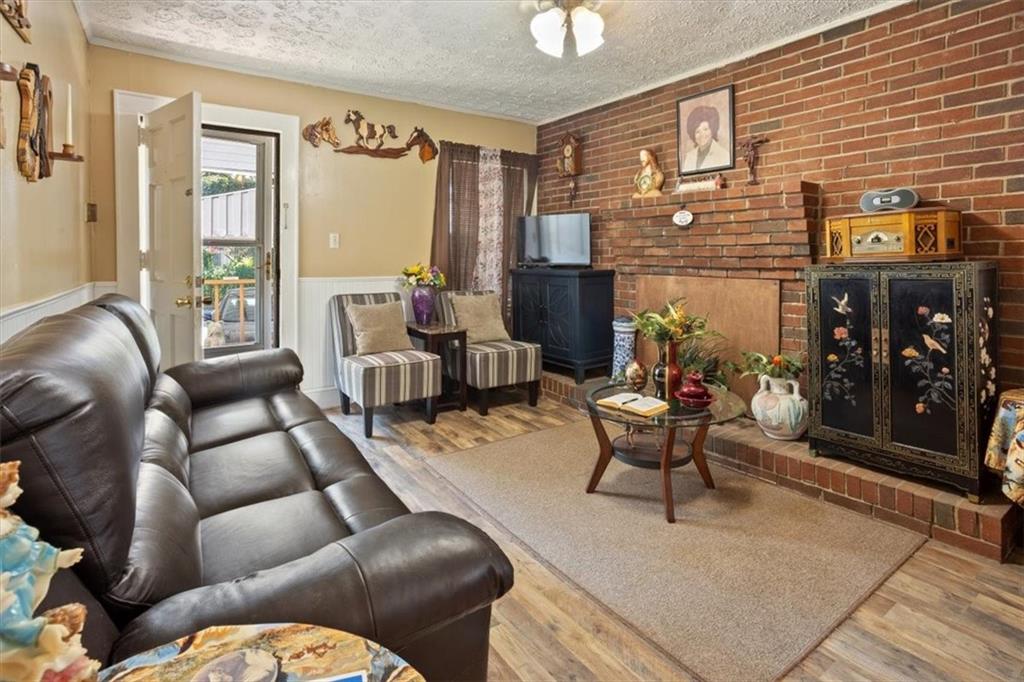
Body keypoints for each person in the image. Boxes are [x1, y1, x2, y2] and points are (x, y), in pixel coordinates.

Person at [680, 105, 730, 172]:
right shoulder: (689, 157)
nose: (702, 135)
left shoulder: (723, 155)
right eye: (697, 131)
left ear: (712, 130)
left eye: (705, 129)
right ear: (693, 135)